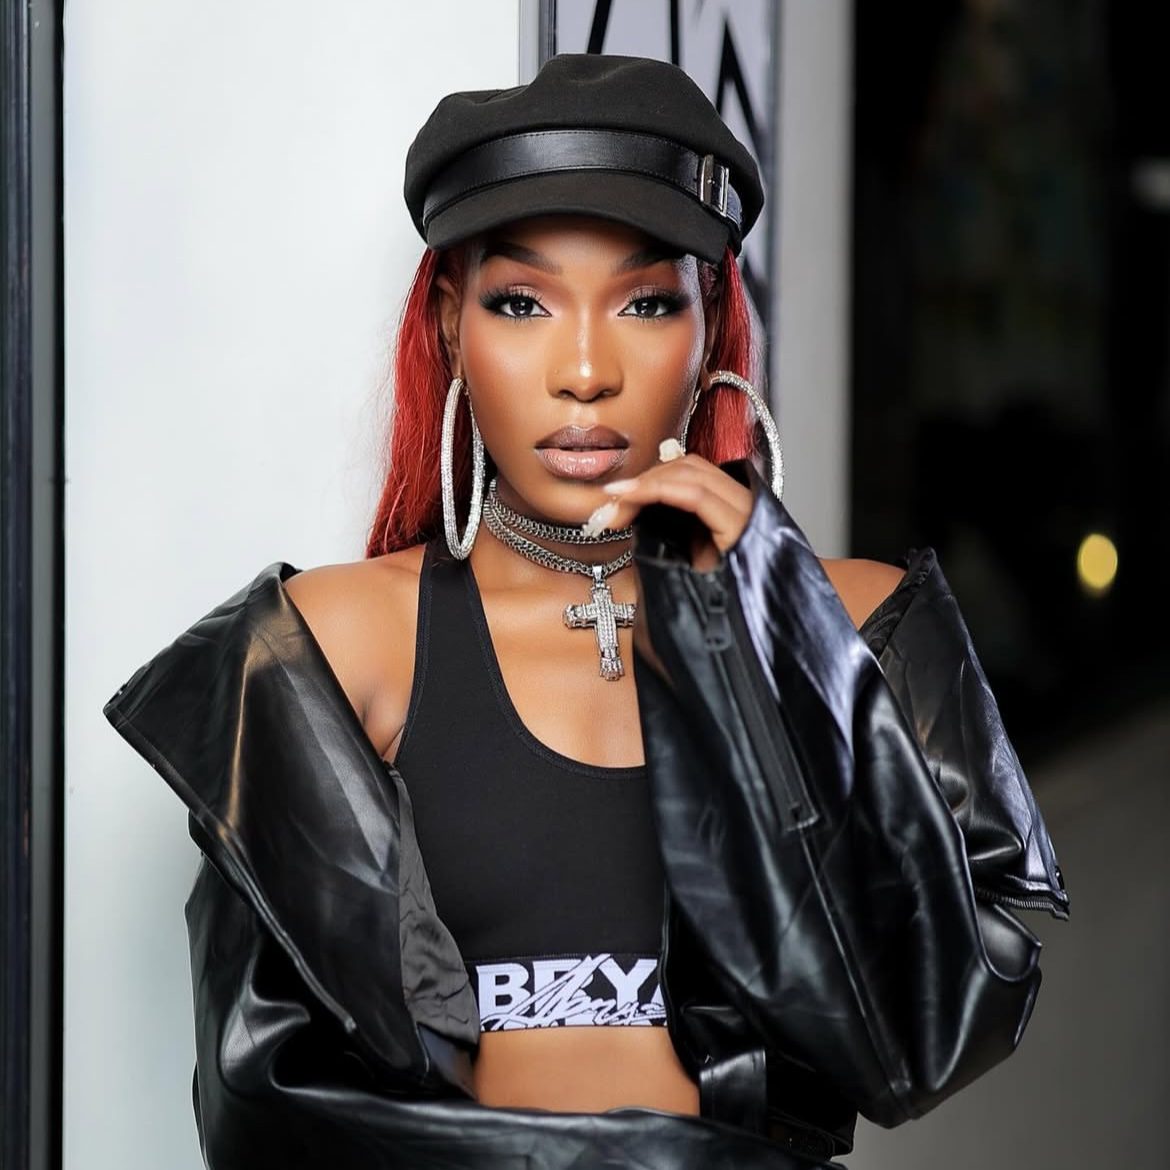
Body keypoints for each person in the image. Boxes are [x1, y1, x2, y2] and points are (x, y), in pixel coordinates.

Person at [104, 55, 1068, 1169]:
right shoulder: (329, 646)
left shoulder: (861, 626)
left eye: (646, 302)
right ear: (451, 324)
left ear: (712, 324)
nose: (583, 370)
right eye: (521, 303)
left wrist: (780, 629)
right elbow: (263, 1110)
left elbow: (939, 1027)